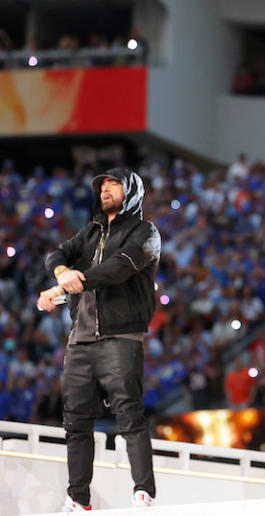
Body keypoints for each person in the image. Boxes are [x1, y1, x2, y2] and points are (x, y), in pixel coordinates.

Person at [37, 168, 160, 510]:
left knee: (129, 416)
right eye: (102, 186)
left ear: (132, 192)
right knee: (75, 422)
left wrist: (66, 285)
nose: (105, 190)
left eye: (114, 185)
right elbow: (55, 255)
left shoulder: (145, 232)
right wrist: (63, 273)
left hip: (121, 336)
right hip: (80, 339)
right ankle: (78, 499)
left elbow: (118, 269)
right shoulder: (89, 231)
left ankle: (143, 493)